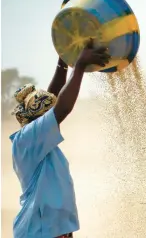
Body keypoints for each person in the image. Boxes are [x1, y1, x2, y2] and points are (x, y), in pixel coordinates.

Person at [10, 39, 110, 238]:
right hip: (39, 231)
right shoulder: (27, 139)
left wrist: (63, 61)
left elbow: (53, 97)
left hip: (54, 231)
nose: (51, 116)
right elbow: (61, 108)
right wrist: (79, 66)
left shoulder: (38, 138)